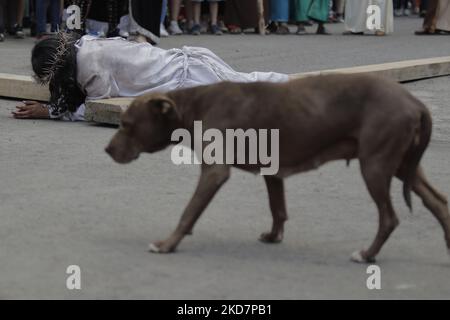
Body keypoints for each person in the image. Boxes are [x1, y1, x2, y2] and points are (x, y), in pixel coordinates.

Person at [12, 32, 288, 121]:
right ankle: (292, 87)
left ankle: (297, 88)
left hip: (188, 76)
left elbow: (95, 108)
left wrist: (51, 112)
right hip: (187, 65)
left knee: (248, 91)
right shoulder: (83, 43)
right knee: (248, 83)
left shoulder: (91, 69)